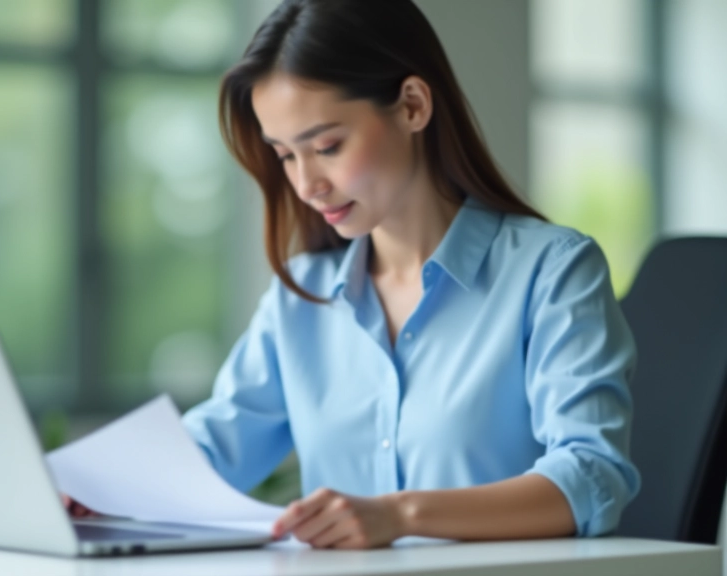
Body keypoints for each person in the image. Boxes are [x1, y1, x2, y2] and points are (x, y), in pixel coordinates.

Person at [70, 0, 639, 550]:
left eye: (327, 146)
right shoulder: (303, 296)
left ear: (413, 105)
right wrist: (90, 487)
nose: (306, 184)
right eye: (286, 156)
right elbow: (217, 444)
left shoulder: (552, 271)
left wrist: (400, 514)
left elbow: (590, 477)